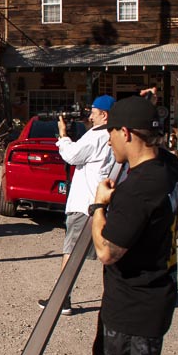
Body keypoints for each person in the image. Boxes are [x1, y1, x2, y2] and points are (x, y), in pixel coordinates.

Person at [71, 96, 178, 355]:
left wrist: (98, 205)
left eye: (110, 133)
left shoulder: (140, 189)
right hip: (133, 295)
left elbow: (106, 250)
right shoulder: (169, 165)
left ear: (126, 133)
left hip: (138, 305)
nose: (107, 141)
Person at [38, 95, 115, 315]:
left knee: (71, 252)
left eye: (94, 112)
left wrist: (63, 136)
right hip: (104, 203)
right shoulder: (115, 135)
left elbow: (72, 155)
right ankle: (117, 298)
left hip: (85, 205)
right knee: (110, 254)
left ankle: (62, 299)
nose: (90, 116)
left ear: (104, 115)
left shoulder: (96, 136)